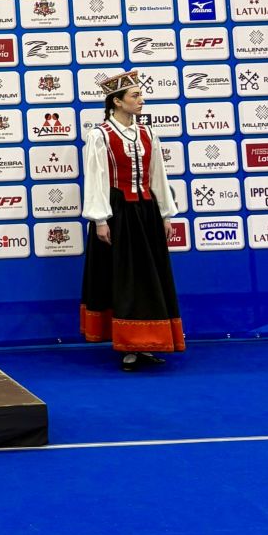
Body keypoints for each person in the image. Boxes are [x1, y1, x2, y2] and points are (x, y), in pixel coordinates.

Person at [81, 69, 184, 370]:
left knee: (149, 278)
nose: (141, 100)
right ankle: (127, 344)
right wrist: (101, 219)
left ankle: (147, 342)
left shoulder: (148, 133)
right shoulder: (100, 135)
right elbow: (96, 179)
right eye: (135, 95)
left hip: (146, 212)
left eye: (140, 95)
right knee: (123, 278)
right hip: (119, 213)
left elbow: (158, 176)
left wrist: (164, 214)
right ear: (117, 101)